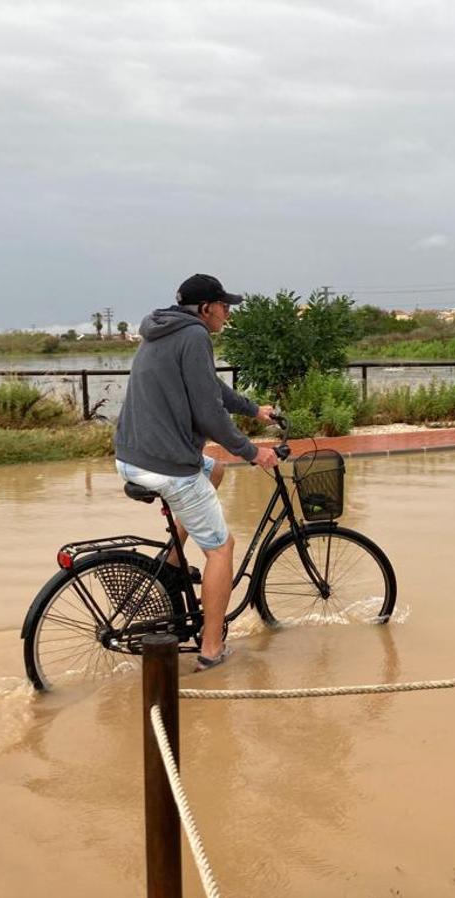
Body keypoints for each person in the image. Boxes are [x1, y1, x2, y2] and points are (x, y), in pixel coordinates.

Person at [114, 273, 278, 671]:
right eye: (224, 306)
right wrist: (253, 451)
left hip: (132, 455)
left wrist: (254, 410)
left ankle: (171, 563)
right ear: (205, 308)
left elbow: (211, 389)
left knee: (215, 469)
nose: (228, 313)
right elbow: (209, 414)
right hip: (168, 465)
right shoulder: (194, 336)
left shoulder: (163, 332)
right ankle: (211, 648)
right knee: (221, 549)